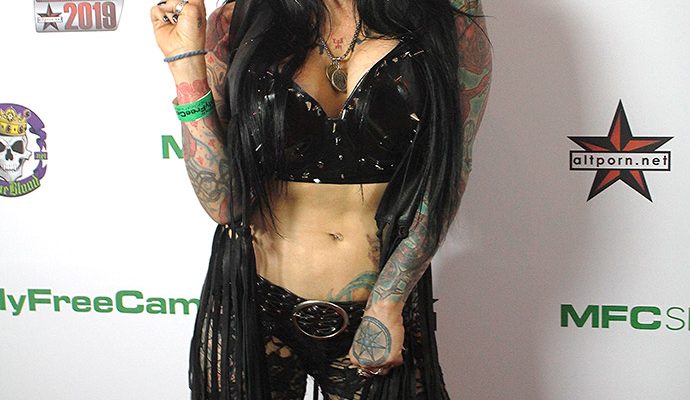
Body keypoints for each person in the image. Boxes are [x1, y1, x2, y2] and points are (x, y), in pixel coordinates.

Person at [151, 0, 491, 398]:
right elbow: (223, 204)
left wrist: (388, 302)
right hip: (251, 302)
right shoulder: (239, 19)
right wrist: (185, 65)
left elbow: (449, 172)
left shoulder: (447, 14)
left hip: (377, 307)